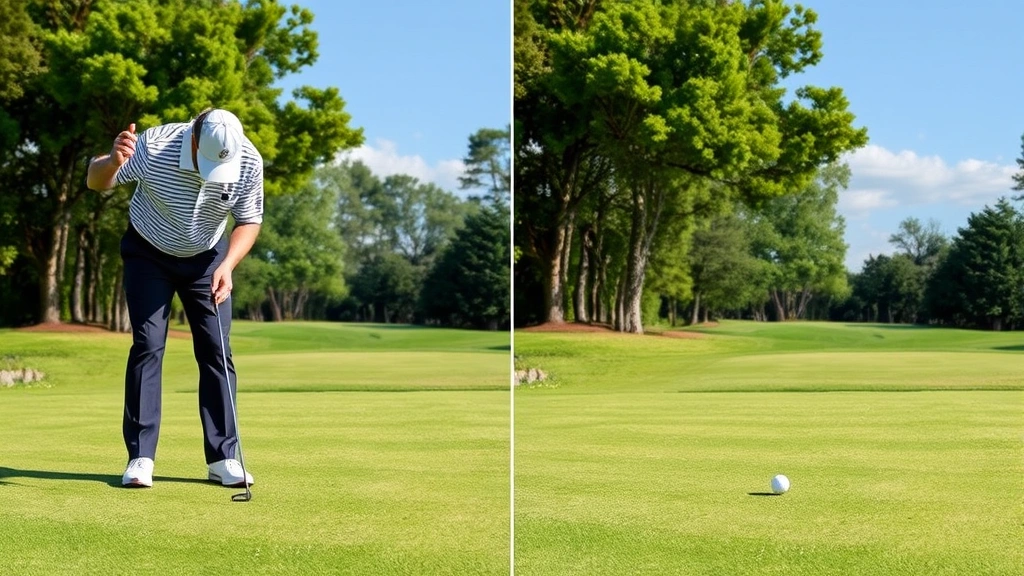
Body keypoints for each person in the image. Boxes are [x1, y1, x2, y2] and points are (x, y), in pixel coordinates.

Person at [86, 108, 263, 488]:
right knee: (148, 345)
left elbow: (249, 219)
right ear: (194, 140)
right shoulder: (156, 145)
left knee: (217, 350)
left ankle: (223, 458)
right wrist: (112, 160)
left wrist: (229, 264)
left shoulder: (248, 159)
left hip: (208, 258)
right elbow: (97, 182)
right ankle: (140, 458)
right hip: (148, 251)